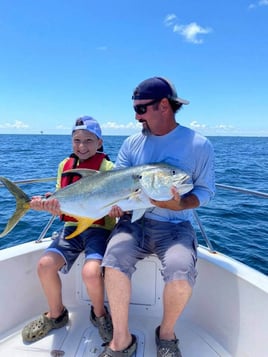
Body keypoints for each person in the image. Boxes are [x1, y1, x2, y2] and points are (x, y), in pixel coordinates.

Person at [99, 77, 215, 357]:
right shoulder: (131, 143)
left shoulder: (199, 145)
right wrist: (116, 206)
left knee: (180, 271)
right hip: (133, 223)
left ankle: (166, 334)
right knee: (113, 261)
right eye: (135, 109)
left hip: (175, 226)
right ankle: (121, 339)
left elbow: (206, 190)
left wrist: (181, 204)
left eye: (141, 109)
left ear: (164, 105)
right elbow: (117, 184)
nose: (136, 116)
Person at [21, 116, 115, 344]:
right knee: (44, 265)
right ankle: (56, 315)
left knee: (91, 273)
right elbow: (59, 196)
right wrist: (48, 205)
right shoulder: (64, 165)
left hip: (99, 229)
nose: (82, 146)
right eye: (77, 140)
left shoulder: (108, 168)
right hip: (71, 227)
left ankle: (100, 315)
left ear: (100, 143)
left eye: (89, 141)